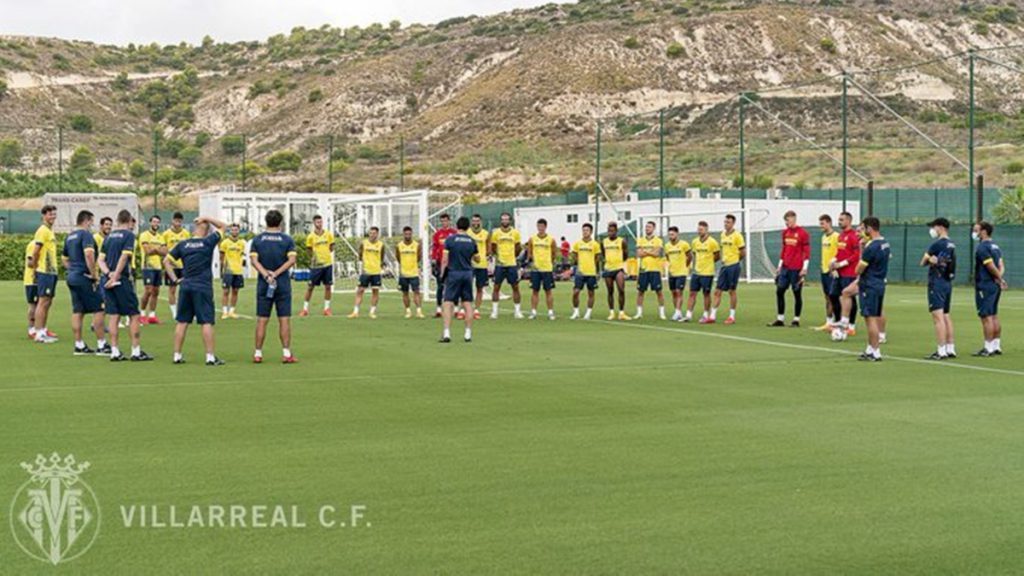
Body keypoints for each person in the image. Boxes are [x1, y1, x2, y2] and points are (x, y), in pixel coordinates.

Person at [165, 216, 228, 366]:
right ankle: (210, 357)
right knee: (206, 321)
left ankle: (177, 355)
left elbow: (166, 261)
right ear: (207, 231)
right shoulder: (207, 242)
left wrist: (175, 279)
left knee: (182, 321)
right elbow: (224, 226)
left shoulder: (183, 244)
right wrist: (206, 217)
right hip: (202, 286)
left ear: (195, 229)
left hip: (186, 286)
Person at [99, 209, 153, 362]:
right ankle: (135, 351)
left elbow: (100, 260)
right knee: (134, 315)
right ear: (129, 221)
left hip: (109, 280)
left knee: (114, 316)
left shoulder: (108, 237)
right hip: (122, 280)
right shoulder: (129, 235)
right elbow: (124, 257)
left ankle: (114, 351)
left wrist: (108, 274)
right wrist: (115, 276)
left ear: (117, 221)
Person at [249, 210, 298, 364]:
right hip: (282, 283)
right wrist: (276, 274)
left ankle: (258, 353)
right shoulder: (287, 239)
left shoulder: (257, 240)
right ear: (280, 222)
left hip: (264, 284)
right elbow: (291, 260)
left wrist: (266, 274)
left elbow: (254, 261)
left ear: (266, 221)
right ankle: (286, 353)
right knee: (284, 319)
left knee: (262, 320)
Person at [63, 210, 107, 356]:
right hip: (84, 277)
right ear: (87, 221)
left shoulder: (69, 237)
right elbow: (89, 254)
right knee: (99, 308)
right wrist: (93, 275)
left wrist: (73, 270)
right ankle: (102, 344)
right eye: (91, 222)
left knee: (78, 311)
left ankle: (79, 345)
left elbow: (64, 259)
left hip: (72, 277)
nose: (92, 225)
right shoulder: (85, 235)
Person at [921, 217, 957, 360]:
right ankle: (950, 347)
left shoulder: (937, 244)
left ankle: (941, 350)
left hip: (936, 282)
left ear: (940, 227)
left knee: (938, 317)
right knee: (946, 315)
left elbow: (923, 261)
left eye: (934, 227)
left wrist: (929, 260)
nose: (932, 230)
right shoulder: (951, 244)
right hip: (947, 282)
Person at [855, 217, 890, 362]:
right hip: (880, 283)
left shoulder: (872, 247)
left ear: (870, 228)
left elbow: (859, 269)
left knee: (870, 319)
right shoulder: (885, 244)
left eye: (864, 228)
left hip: (869, 284)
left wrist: (862, 249)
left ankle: (875, 352)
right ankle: (870, 348)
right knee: (875, 315)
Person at [440, 216, 478, 343]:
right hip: (467, 273)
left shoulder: (450, 240)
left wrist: (442, 274)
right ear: (468, 227)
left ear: (457, 226)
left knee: (448, 302)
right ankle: (468, 334)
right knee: (467, 303)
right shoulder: (472, 241)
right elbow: (477, 258)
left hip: (454, 273)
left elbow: (445, 259)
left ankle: (447, 333)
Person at [972, 221, 1007, 357]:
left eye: (976, 230)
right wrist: (999, 278)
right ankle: (996, 345)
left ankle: (988, 348)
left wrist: (1000, 278)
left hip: (985, 285)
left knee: (986, 316)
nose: (974, 232)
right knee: (994, 315)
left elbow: (991, 266)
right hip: (994, 284)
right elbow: (1001, 265)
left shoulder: (982, 248)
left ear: (984, 231)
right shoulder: (995, 247)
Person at [770, 210, 810, 327]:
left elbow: (806, 252)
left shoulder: (803, 233)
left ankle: (796, 319)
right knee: (779, 291)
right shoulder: (785, 233)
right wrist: (779, 266)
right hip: (785, 268)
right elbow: (784, 250)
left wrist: (805, 268)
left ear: (793, 218)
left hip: (797, 268)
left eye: (788, 220)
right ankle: (780, 319)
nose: (786, 223)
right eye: (785, 221)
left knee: (797, 293)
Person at [29, 205, 59, 343]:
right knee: (42, 301)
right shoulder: (42, 231)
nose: (53, 217)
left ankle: (43, 329)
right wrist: (35, 269)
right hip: (45, 271)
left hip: (51, 271)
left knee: (48, 301)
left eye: (54, 214)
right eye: (50, 214)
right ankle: (38, 333)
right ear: (44, 216)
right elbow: (36, 251)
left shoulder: (49, 231)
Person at [710, 214, 746, 325]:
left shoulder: (737, 236)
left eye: (728, 222)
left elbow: (743, 252)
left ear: (733, 223)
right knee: (717, 291)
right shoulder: (722, 234)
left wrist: (734, 261)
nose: (726, 224)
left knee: (731, 291)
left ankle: (732, 316)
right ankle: (712, 316)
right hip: (724, 266)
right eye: (725, 222)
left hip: (733, 266)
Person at [489, 212, 524, 319]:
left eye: (507, 219)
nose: (505, 221)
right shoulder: (496, 233)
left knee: (515, 287)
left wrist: (513, 256)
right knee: (496, 287)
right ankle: (494, 311)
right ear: (501, 221)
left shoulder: (515, 233)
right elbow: (493, 247)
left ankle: (517, 311)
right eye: (503, 219)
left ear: (510, 221)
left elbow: (518, 247)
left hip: (512, 264)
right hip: (500, 264)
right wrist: (499, 256)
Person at [832, 211, 861, 337]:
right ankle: (840, 321)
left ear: (849, 221)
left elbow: (856, 255)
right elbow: (840, 252)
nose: (839, 222)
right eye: (839, 219)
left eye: (842, 219)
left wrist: (842, 263)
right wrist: (833, 262)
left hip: (850, 272)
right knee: (833, 295)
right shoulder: (840, 235)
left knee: (850, 298)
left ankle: (851, 325)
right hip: (839, 272)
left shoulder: (854, 235)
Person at [685, 221, 720, 323]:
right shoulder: (695, 242)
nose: (699, 231)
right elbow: (695, 254)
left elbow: (717, 256)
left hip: (707, 273)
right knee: (692, 293)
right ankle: (688, 314)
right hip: (696, 272)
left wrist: (708, 262)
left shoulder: (712, 242)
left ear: (706, 230)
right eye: (698, 229)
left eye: (701, 229)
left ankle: (705, 314)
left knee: (706, 293)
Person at [301, 215, 335, 317]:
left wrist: (325, 255)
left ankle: (327, 309)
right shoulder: (310, 237)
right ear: (314, 223)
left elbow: (332, 247)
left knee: (328, 286)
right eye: (317, 222)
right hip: (316, 266)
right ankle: (305, 309)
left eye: (321, 222)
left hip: (327, 264)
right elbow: (308, 249)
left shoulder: (328, 234)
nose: (319, 224)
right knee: (310, 287)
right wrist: (314, 258)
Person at [349, 226, 384, 319]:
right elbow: (360, 255)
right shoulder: (364, 243)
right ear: (369, 233)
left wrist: (378, 265)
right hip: (366, 272)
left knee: (375, 291)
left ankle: (372, 312)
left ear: (377, 234)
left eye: (374, 233)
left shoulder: (381, 244)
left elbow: (382, 257)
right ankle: (355, 312)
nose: (372, 235)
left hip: (376, 272)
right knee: (360, 291)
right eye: (371, 233)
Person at [635, 221, 666, 320]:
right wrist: (650, 252)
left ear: (654, 228)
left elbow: (657, 253)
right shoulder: (640, 240)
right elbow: (639, 254)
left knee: (659, 291)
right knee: (641, 291)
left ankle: (662, 313)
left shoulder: (658, 240)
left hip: (655, 269)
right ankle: (639, 313)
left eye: (649, 227)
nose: (647, 228)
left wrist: (646, 251)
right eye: (646, 227)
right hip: (644, 269)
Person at [163, 212, 191, 321]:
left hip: (184, 266)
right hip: (172, 266)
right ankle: (175, 313)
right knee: (172, 289)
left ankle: (185, 311)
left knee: (185, 289)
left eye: (179, 221)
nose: (178, 223)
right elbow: (164, 250)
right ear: (172, 221)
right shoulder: (166, 234)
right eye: (176, 221)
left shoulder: (186, 234)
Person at [527, 218, 557, 320]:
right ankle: (533, 312)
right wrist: (532, 262)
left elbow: (554, 253)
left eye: (542, 226)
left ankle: (550, 312)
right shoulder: (532, 239)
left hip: (547, 269)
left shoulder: (551, 240)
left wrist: (549, 262)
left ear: (545, 227)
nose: (540, 228)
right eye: (539, 226)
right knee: (535, 291)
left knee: (548, 291)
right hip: (536, 269)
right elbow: (529, 252)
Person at [139, 215, 166, 324]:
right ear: (150, 223)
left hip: (158, 267)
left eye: (158, 222)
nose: (156, 224)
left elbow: (165, 251)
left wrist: (154, 249)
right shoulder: (144, 235)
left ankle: (152, 316)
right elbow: (147, 251)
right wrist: (157, 249)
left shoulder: (161, 237)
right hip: (148, 266)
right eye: (154, 222)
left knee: (156, 291)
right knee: (148, 290)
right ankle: (141, 314)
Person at [570, 223, 601, 320]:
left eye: (587, 230)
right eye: (583, 230)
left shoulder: (595, 244)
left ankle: (588, 312)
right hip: (580, 272)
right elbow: (574, 255)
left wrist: (597, 271)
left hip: (591, 272)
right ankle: (576, 311)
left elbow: (597, 258)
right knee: (576, 292)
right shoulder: (577, 243)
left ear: (591, 232)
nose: (585, 232)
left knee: (591, 293)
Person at [602, 222, 631, 321]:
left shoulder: (622, 241)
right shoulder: (604, 241)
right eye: (609, 231)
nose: (611, 233)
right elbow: (603, 253)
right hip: (608, 269)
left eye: (613, 231)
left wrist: (619, 262)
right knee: (610, 291)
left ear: (616, 231)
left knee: (621, 290)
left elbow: (626, 254)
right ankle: (611, 312)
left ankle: (621, 313)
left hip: (618, 268)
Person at [817, 215, 841, 331]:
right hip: (824, 271)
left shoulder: (836, 236)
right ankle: (829, 322)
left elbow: (840, 253)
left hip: (833, 272)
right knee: (827, 297)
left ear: (829, 223)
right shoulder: (823, 237)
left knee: (834, 297)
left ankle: (839, 322)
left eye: (822, 223)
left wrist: (835, 267)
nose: (820, 226)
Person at [431, 214, 458, 317]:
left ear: (449, 221)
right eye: (442, 221)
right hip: (440, 262)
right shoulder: (437, 234)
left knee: (454, 285)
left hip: (452, 263)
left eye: (445, 221)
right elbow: (435, 248)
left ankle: (455, 308)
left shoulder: (453, 233)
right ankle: (438, 309)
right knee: (440, 286)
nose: (444, 223)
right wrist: (433, 261)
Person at [396, 226, 425, 318]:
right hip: (403, 273)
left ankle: (419, 311)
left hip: (414, 273)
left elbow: (419, 257)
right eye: (406, 234)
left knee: (416, 291)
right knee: (405, 292)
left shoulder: (417, 245)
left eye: (409, 234)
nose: (407, 235)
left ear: (411, 234)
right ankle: (408, 311)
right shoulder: (399, 245)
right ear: (403, 234)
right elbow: (398, 258)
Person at [665, 226, 692, 321]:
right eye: (669, 234)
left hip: (681, 272)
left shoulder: (684, 244)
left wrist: (685, 267)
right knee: (673, 293)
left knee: (679, 292)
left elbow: (690, 256)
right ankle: (678, 312)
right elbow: (667, 257)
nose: (670, 236)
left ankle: (677, 311)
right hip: (672, 272)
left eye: (672, 234)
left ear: (677, 234)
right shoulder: (667, 246)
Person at [220, 223, 247, 319]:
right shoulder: (225, 243)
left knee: (235, 291)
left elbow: (243, 256)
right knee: (226, 291)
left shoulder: (242, 243)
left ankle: (232, 311)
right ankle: (224, 312)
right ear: (230, 231)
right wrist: (221, 270)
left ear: (239, 231)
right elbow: (221, 257)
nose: (234, 231)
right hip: (228, 270)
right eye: (233, 230)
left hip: (238, 271)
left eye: (236, 230)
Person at [466, 214, 490, 320]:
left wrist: (485, 257)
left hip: (482, 264)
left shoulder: (486, 233)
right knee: (467, 287)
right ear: (471, 222)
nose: (475, 223)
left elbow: (489, 249)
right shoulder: (467, 233)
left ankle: (476, 309)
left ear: (480, 222)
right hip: (469, 264)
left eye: (477, 221)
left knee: (479, 288)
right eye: (473, 221)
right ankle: (465, 308)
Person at [23, 240, 38, 340]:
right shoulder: (33, 244)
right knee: (33, 304)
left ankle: (40, 328)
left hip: (40, 280)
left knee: (40, 304)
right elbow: (30, 263)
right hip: (32, 280)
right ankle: (31, 329)